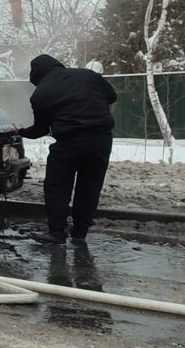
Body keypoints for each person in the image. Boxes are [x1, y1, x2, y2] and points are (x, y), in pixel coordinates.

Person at [15, 54, 117, 244]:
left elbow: (40, 129)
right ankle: (80, 233)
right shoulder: (89, 76)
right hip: (101, 139)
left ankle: (56, 232)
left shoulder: (41, 93)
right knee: (90, 186)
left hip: (69, 142)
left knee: (57, 186)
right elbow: (112, 96)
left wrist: (20, 131)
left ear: (37, 76)